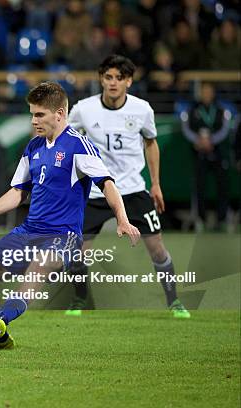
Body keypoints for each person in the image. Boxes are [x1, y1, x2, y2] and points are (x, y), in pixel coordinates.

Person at [0, 82, 141, 351]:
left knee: (36, 271)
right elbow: (18, 193)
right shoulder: (33, 147)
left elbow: (107, 184)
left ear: (59, 113)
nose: (34, 121)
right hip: (29, 231)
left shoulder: (78, 146)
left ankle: (0, 322)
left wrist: (122, 219)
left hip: (63, 237)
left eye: (39, 115)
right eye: (32, 114)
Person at [67, 55, 191, 318]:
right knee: (77, 251)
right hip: (95, 191)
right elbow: (66, 139)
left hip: (134, 190)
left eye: (119, 78)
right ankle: (80, 300)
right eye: (108, 77)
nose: (113, 83)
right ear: (101, 79)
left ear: (129, 82)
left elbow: (151, 143)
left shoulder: (142, 109)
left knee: (157, 249)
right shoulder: (83, 109)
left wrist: (155, 184)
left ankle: (174, 301)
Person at [181, 82, 233, 230]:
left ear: (213, 93)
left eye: (209, 91)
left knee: (222, 185)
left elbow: (225, 129)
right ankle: (200, 219)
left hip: (217, 152)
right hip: (198, 152)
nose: (206, 94)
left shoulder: (221, 110)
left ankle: (223, 219)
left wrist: (211, 141)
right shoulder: (192, 110)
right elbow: (187, 129)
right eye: (204, 92)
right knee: (199, 186)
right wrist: (198, 141)